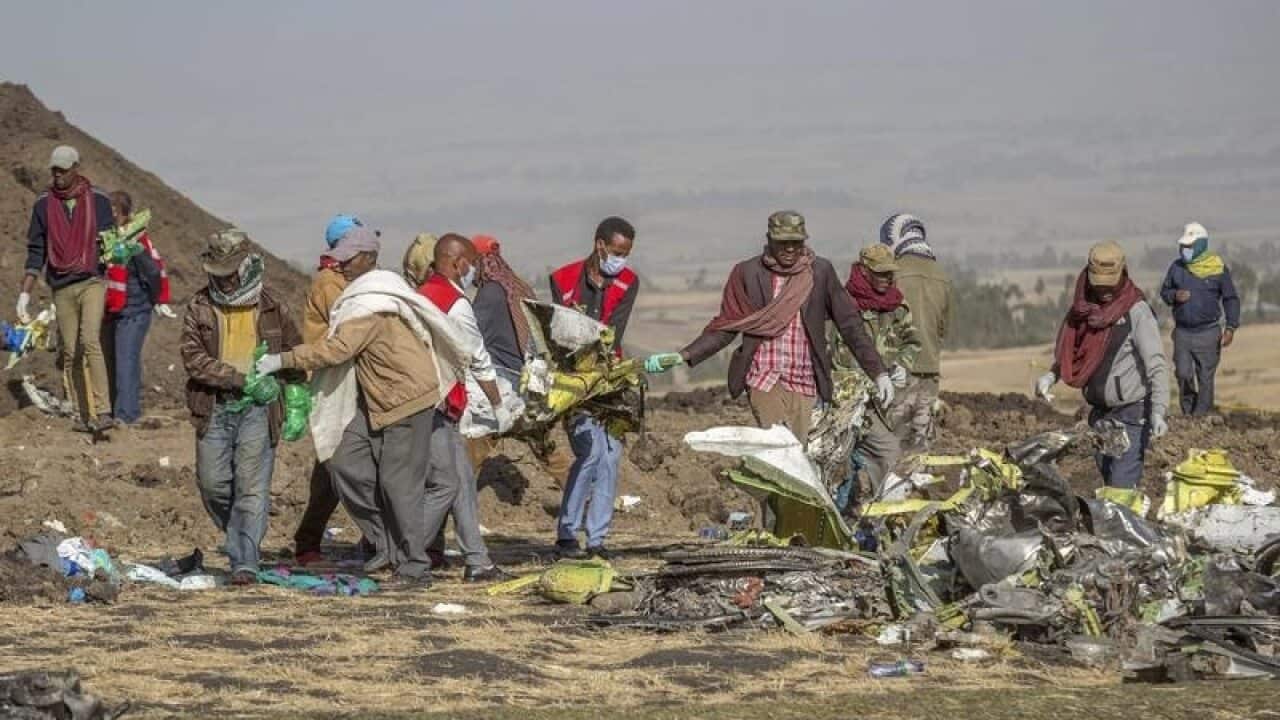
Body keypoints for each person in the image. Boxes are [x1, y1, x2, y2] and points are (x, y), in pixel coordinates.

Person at [256, 228, 469, 589]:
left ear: (368, 258)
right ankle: (386, 543)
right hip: (374, 400)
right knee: (343, 461)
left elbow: (335, 349)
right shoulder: (361, 294)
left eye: (348, 259)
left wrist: (282, 360)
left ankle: (414, 566)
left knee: (398, 484)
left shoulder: (372, 302)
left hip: (404, 400)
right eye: (339, 259)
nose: (341, 265)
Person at [647, 210, 891, 442]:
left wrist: (878, 372)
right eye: (782, 242)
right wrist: (684, 356)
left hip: (804, 378)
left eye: (795, 242)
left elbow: (849, 324)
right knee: (776, 446)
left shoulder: (820, 272)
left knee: (798, 451)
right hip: (763, 376)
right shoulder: (748, 273)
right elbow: (728, 325)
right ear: (769, 240)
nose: (789, 249)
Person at [181, 229, 302, 585]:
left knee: (251, 487)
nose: (225, 281)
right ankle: (239, 536)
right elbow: (192, 357)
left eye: (231, 273)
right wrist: (238, 379)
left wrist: (296, 397)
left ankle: (244, 562)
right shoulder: (199, 306)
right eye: (218, 274)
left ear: (248, 265)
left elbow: (294, 352)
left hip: (259, 411)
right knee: (213, 484)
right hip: (215, 406)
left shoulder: (273, 306)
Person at [415, 234, 512, 583]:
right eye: (470, 264)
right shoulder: (456, 304)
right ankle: (404, 554)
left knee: (463, 481)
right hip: (436, 404)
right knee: (445, 484)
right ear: (458, 264)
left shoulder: (423, 295)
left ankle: (478, 560)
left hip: (428, 402)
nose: (473, 271)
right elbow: (478, 359)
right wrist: (499, 405)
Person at [1036, 242, 1169, 494]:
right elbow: (1072, 352)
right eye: (1099, 283)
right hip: (1100, 416)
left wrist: (1159, 410)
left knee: (1120, 490)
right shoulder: (1083, 310)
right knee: (1107, 481)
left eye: (1110, 282)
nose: (1105, 290)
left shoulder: (1136, 312)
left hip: (1131, 413)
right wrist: (1051, 375)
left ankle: (1123, 529)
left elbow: (1157, 365)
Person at [548, 217, 641, 559]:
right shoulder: (563, 278)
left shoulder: (628, 282)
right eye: (617, 252)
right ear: (600, 245)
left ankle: (598, 539)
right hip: (574, 379)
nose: (621, 260)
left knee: (611, 456)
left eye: (626, 253)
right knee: (590, 453)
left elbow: (613, 331)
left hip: (609, 378)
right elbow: (562, 330)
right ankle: (567, 533)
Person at [20, 145, 116, 432]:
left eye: (63, 170)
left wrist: (113, 252)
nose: (58, 176)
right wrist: (25, 291)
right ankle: (83, 414)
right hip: (61, 284)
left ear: (76, 168)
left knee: (90, 340)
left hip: (91, 280)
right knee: (71, 351)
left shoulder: (97, 200)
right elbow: (36, 248)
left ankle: (103, 410)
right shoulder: (43, 204)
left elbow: (110, 239)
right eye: (55, 170)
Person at [292, 214, 362, 565]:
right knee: (333, 464)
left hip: (345, 379)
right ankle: (308, 541)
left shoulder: (340, 279)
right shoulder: (331, 283)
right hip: (332, 381)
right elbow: (350, 327)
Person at [838, 245, 921, 499]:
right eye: (880, 273)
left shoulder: (897, 305)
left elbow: (913, 342)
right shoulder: (842, 305)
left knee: (889, 456)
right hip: (843, 404)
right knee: (839, 466)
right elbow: (829, 352)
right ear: (864, 271)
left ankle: (882, 519)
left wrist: (902, 366)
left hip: (880, 405)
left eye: (890, 273)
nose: (887, 278)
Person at [879, 213, 951, 452]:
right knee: (921, 445)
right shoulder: (942, 275)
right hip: (930, 373)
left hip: (898, 372)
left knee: (891, 442)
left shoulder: (891, 274)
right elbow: (943, 329)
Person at [101, 191, 171, 425]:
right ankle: (115, 410)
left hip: (134, 310)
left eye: (113, 211)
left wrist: (154, 299)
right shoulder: (110, 240)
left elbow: (152, 271)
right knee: (114, 362)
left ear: (123, 214)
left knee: (126, 361)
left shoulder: (134, 241)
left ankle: (127, 415)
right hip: (115, 311)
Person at [1159, 222, 1241, 416]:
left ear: (1201, 245)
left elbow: (1230, 298)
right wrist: (1174, 295)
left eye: (1189, 246)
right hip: (1183, 333)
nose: (1185, 250)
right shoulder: (1176, 267)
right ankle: (1188, 411)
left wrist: (1231, 327)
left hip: (1209, 332)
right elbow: (1164, 292)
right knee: (1183, 373)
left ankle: (1201, 417)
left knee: (1205, 377)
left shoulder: (1217, 268)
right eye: (1183, 246)